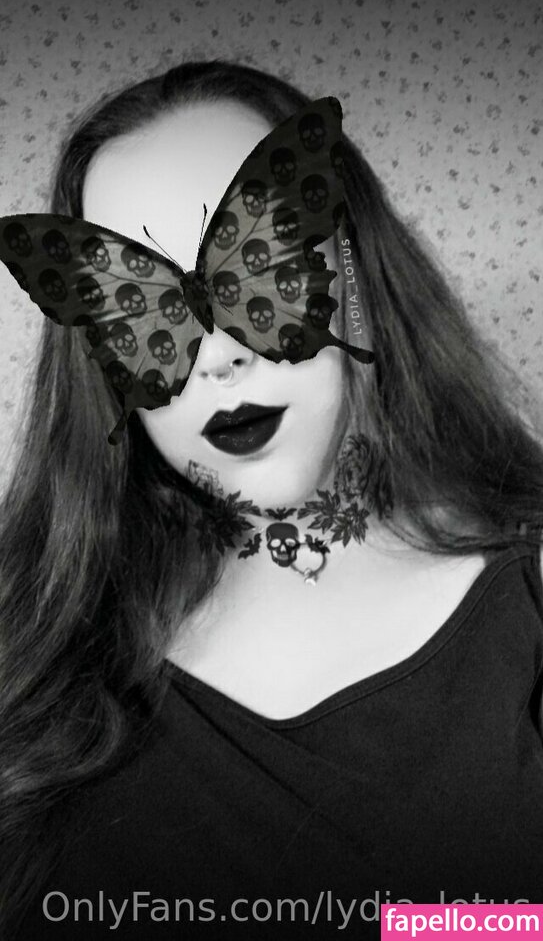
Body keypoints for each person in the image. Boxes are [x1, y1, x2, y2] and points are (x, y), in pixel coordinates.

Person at [1, 58, 543, 940]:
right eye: (143, 313)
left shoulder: (529, 591)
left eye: (259, 268)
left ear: (355, 272)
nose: (218, 357)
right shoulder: (34, 640)